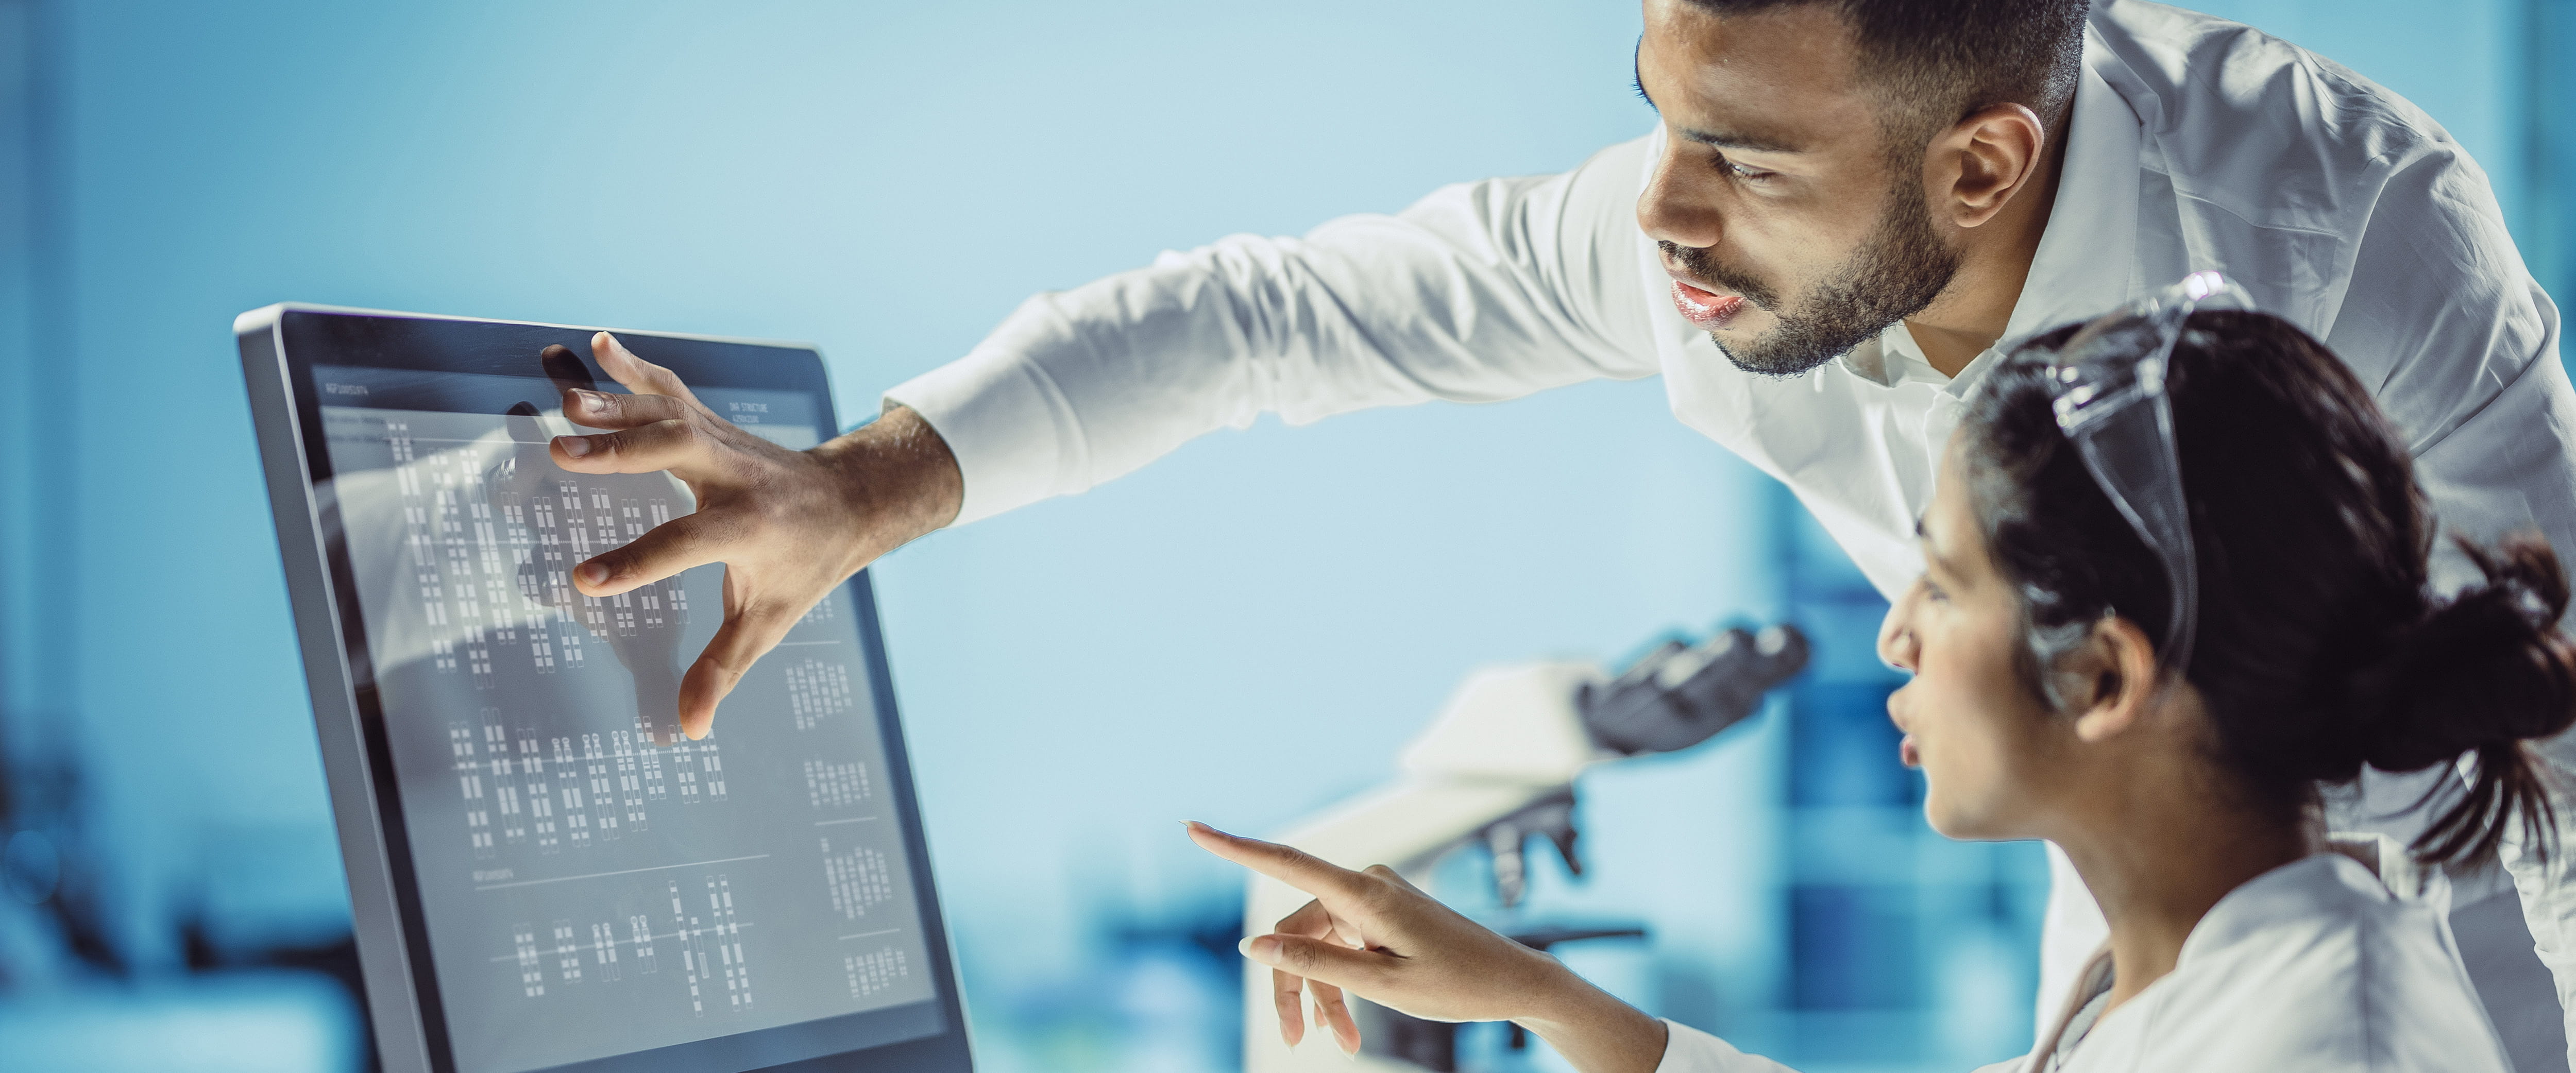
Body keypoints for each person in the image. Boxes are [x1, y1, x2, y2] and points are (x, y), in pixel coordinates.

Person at [538, 0, 2576, 1060]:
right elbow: (1272, 309)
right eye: (1656, 113)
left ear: (1980, 164)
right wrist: (860, 485)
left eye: (1739, 155)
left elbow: (2558, 743)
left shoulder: (2351, 236)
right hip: (2166, 910)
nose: (1659, 208)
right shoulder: (1722, 228)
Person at [1190, 302, 2571, 1072]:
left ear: (2099, 672)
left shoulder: (2325, 1046)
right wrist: (1530, 992)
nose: (1892, 637)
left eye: (1942, 584)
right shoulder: (2159, 976)